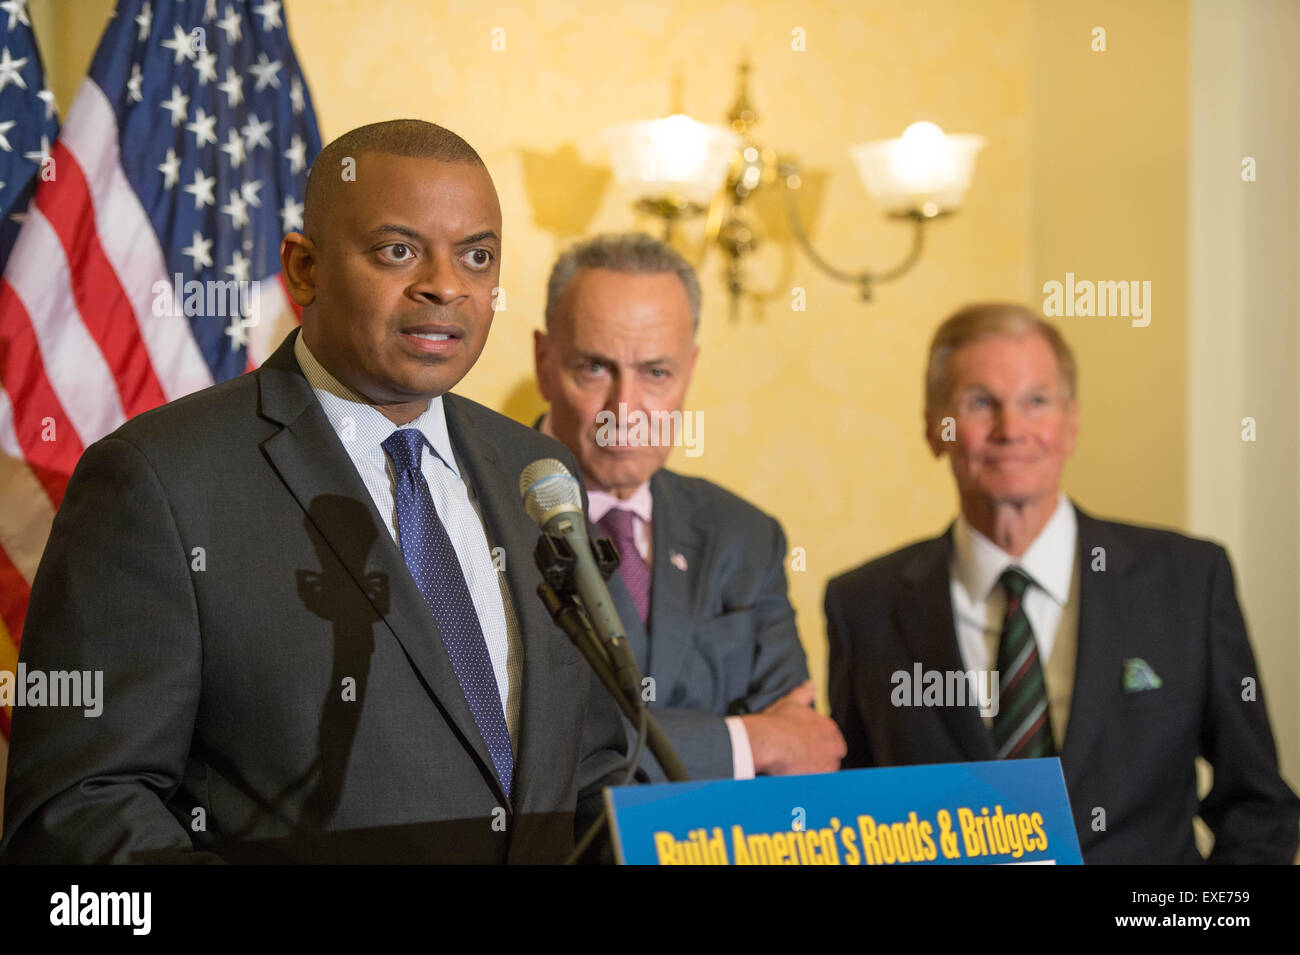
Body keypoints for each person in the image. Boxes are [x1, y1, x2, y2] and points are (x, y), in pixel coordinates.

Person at [0, 120, 627, 864]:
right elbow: (78, 815)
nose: (445, 284)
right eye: (399, 250)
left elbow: (587, 773)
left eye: (477, 256)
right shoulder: (156, 481)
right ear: (304, 269)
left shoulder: (536, 474)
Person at [826, 302, 1300, 863]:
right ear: (935, 429)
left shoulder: (1188, 582)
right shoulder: (863, 605)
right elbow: (852, 819)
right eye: (980, 403)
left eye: (1036, 401)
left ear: (1070, 424)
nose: (1011, 429)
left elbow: (1258, 807)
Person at [534, 232, 845, 782]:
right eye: (594, 369)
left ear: (690, 370)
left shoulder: (744, 534)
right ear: (543, 362)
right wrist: (743, 741)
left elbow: (801, 751)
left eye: (656, 373)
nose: (624, 410)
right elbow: (524, 743)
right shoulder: (471, 512)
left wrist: (770, 742)